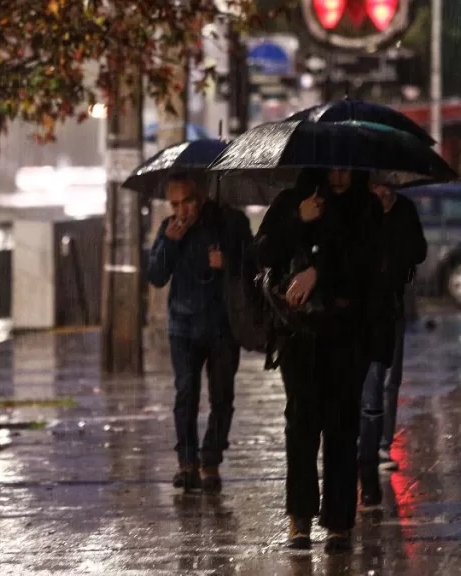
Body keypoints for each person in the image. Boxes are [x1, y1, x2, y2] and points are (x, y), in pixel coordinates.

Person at [254, 168, 382, 552]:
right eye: (333, 167)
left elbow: (370, 263)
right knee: (302, 423)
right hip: (299, 334)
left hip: (346, 332)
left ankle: (339, 521)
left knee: (342, 425)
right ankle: (300, 518)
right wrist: (299, 219)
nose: (341, 176)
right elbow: (262, 252)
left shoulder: (365, 207)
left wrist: (319, 272)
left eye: (348, 167)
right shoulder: (292, 202)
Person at [146, 172, 253, 494]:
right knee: (186, 393)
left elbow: (254, 264)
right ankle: (187, 462)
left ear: (202, 196)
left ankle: (211, 460)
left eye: (187, 202)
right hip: (183, 326)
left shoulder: (230, 222)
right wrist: (170, 242)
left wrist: (228, 262)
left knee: (222, 396)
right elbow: (156, 276)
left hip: (222, 325)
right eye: (175, 204)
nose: (182, 211)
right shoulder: (171, 229)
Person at [358, 182, 427, 507]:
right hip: (363, 309)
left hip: (393, 306)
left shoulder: (404, 211)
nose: (381, 190)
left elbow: (419, 251)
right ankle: (368, 450)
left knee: (389, 378)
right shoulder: (360, 210)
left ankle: (381, 443)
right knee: (369, 383)